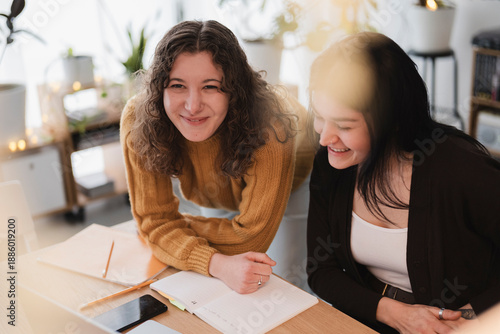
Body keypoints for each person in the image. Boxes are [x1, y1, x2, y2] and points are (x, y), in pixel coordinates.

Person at [306, 32, 500, 334]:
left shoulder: (461, 170)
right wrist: (396, 314)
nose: (324, 137)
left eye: (344, 125)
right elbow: (321, 271)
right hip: (370, 320)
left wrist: (468, 318)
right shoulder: (332, 164)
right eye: (319, 116)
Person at [120, 20, 315, 294]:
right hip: (218, 189)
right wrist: (212, 260)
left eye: (210, 86)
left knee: (278, 281)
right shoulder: (139, 119)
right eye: (177, 85)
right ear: (159, 88)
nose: (192, 106)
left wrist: (163, 227)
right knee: (216, 278)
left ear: (234, 90)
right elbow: (156, 223)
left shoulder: (270, 127)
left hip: (294, 180)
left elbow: (250, 241)